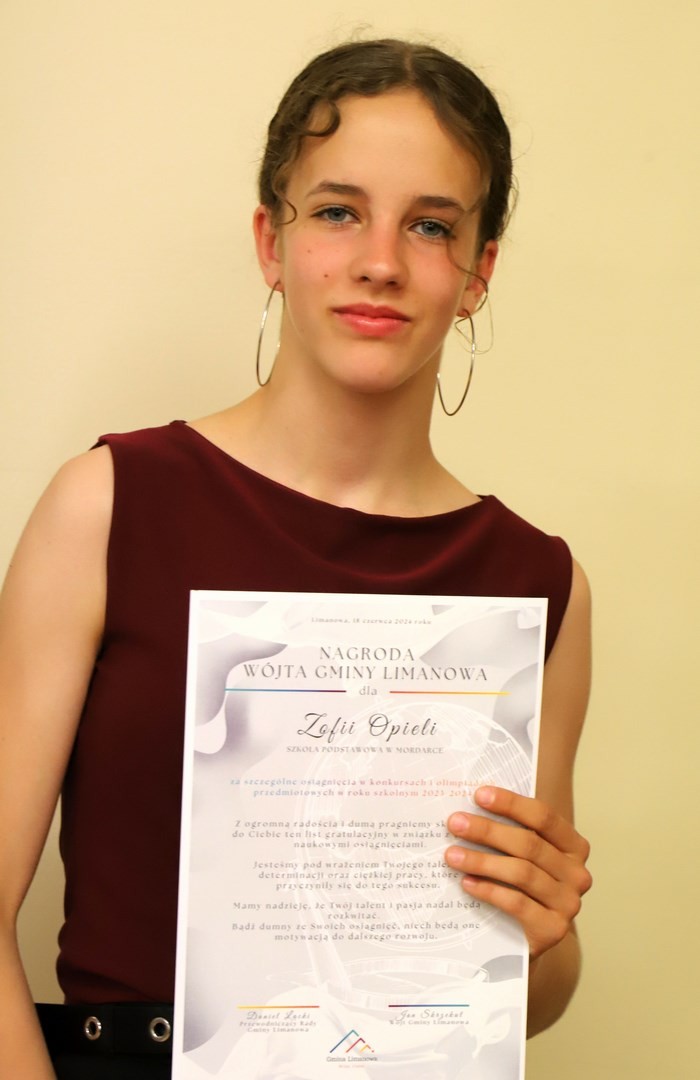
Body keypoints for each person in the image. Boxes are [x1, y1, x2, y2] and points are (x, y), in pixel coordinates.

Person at [0, 38, 592, 1079]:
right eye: (337, 212)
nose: (380, 261)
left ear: (479, 272)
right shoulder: (108, 506)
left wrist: (543, 932)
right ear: (270, 242)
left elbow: (523, 1001)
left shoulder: (540, 585)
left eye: (431, 225)